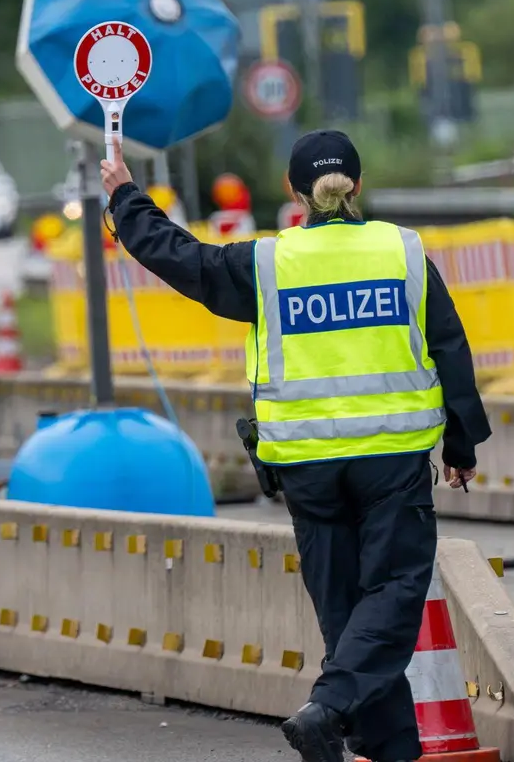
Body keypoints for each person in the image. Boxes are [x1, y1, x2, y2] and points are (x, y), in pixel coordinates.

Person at [101, 129, 491, 762]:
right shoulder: (404, 252)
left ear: (293, 192)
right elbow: (449, 346)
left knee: (344, 611)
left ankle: (388, 750)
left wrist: (125, 200)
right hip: (390, 460)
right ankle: (330, 709)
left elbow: (183, 260)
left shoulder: (264, 264)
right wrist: (461, 445)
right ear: (358, 186)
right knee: (391, 596)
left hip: (306, 467)